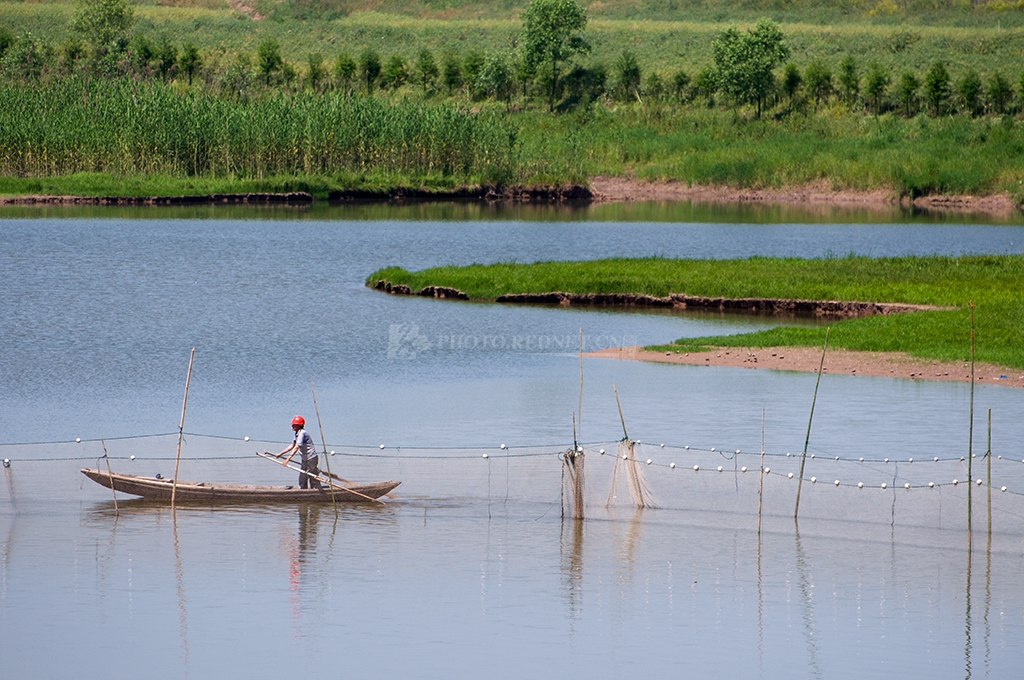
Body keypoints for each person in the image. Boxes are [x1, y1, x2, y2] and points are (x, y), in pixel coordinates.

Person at [273, 415, 322, 490]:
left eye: (294, 425)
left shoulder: (302, 433)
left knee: (313, 476)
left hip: (311, 458)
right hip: (305, 459)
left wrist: (288, 459)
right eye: (292, 424)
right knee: (303, 477)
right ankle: (303, 491)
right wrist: (280, 454)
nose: (292, 426)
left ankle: (316, 491)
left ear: (300, 425)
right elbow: (292, 445)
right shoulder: (297, 434)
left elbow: (297, 447)